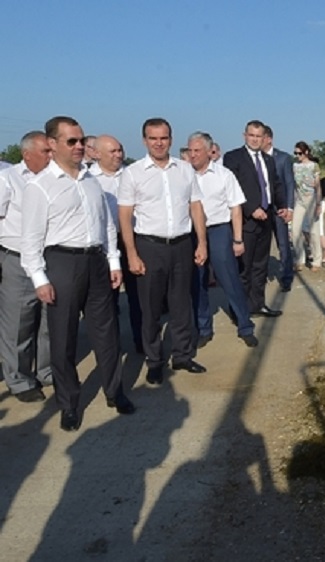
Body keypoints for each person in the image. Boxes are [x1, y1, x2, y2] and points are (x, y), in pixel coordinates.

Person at [21, 116, 134, 431]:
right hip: (62, 263)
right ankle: (69, 404)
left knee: (107, 332)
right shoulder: (39, 187)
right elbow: (30, 240)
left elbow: (106, 225)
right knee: (63, 338)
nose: (79, 146)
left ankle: (115, 392)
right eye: (71, 141)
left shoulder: (90, 180)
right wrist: (40, 280)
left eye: (82, 140)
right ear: (53, 144)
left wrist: (113, 262)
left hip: (96, 261)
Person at [118, 117, 209, 386]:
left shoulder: (184, 170)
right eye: (153, 138)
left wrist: (201, 242)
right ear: (145, 140)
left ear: (171, 139)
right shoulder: (133, 173)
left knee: (182, 304)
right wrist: (131, 253)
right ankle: (154, 361)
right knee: (151, 308)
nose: (159, 143)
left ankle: (182, 355)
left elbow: (196, 207)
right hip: (149, 246)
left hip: (181, 244)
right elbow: (125, 216)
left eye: (164, 138)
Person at [186, 131, 258, 349]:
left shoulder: (224, 175)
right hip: (191, 233)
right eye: (190, 150)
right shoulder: (183, 174)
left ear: (210, 152)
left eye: (197, 150)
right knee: (197, 283)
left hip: (218, 231)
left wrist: (237, 239)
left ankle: (245, 325)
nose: (193, 155)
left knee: (229, 279)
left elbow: (235, 207)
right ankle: (204, 328)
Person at [0, 131, 53, 403]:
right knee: (19, 323)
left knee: (47, 322)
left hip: (49, 260)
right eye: (45, 151)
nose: (50, 156)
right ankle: (19, 378)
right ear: (26, 154)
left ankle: (46, 370)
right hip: (17, 260)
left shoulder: (54, 179)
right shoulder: (8, 179)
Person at [222, 120, 286, 317]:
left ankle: (258, 305)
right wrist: (251, 208)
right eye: (252, 135)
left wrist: (283, 205)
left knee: (260, 267)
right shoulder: (233, 158)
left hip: (266, 219)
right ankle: (240, 310)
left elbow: (275, 184)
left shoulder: (268, 160)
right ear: (245, 136)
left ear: (264, 138)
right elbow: (232, 188)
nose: (255, 139)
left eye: (259, 136)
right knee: (244, 269)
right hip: (245, 221)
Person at [90, 134, 143, 354]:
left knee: (138, 295)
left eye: (120, 150)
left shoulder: (132, 175)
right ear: (96, 153)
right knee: (106, 300)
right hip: (103, 246)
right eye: (112, 151)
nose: (118, 155)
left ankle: (142, 340)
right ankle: (111, 347)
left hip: (131, 239)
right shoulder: (88, 179)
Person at [261, 125, 295, 291]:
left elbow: (289, 183)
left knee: (283, 244)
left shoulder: (282, 158)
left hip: (280, 209)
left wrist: (289, 207)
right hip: (263, 210)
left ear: (268, 139)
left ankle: (287, 276)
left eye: (261, 137)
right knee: (262, 245)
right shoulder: (256, 159)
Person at [290, 142, 323, 272]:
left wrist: (319, 203)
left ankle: (317, 260)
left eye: (300, 153)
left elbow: (318, 186)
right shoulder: (295, 166)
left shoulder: (313, 166)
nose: (297, 155)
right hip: (299, 201)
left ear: (306, 152)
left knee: (314, 231)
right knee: (295, 230)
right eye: (295, 153)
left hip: (312, 200)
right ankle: (299, 259)